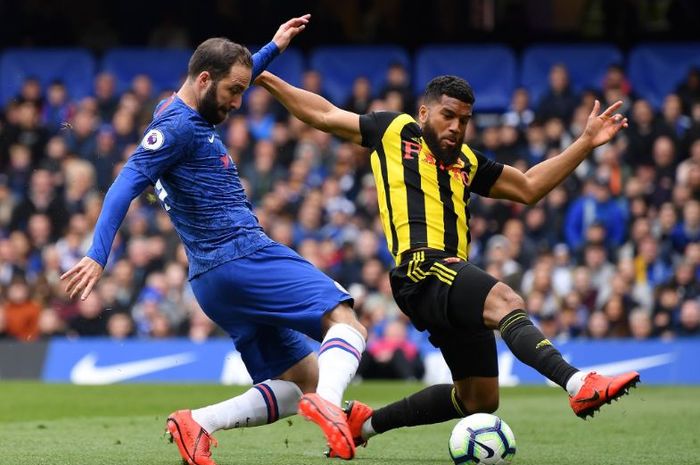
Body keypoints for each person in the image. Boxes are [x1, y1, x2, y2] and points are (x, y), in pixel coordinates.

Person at [255, 71, 640, 456]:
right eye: (448, 116)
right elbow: (322, 114)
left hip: (450, 279)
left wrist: (586, 142)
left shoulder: (467, 161)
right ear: (424, 112)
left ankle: (364, 425)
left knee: (479, 400)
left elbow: (528, 187)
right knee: (505, 301)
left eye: (465, 120)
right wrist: (267, 78)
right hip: (421, 269)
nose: (457, 127)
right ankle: (578, 384)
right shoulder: (395, 130)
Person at [60, 15, 367, 464]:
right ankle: (331, 409)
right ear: (204, 80)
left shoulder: (183, 109)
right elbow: (125, 181)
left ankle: (198, 423)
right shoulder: (178, 127)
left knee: (304, 378)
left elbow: (234, 75)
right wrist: (97, 254)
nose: (239, 102)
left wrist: (274, 46)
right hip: (243, 255)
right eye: (233, 91)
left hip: (211, 281)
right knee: (345, 322)